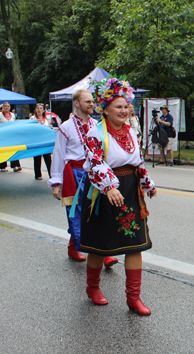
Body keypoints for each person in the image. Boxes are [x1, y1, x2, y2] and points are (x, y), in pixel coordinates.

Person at [80, 77, 157, 316]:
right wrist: (109, 186)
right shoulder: (95, 132)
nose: (124, 111)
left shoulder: (131, 131)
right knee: (100, 247)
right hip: (105, 193)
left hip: (130, 190)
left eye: (126, 106)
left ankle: (133, 298)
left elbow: (138, 162)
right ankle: (92, 288)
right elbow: (95, 162)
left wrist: (147, 183)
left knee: (135, 245)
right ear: (106, 109)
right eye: (118, 107)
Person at [48, 89, 119, 268]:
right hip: (74, 175)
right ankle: (87, 249)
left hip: (95, 174)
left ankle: (103, 252)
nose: (91, 104)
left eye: (92, 101)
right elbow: (58, 154)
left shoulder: (97, 125)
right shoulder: (66, 127)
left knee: (98, 212)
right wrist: (56, 182)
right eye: (87, 101)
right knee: (77, 213)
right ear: (77, 104)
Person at [0, 102, 22, 173]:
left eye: (8, 106)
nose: (6, 107)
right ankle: (2, 166)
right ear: (3, 107)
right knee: (3, 150)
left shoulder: (12, 115)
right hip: (2, 135)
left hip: (11, 135)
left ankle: (15, 166)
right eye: (5, 106)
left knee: (13, 150)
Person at [30, 103, 53, 180]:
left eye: (40, 108)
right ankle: (38, 174)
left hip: (45, 141)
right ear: (35, 110)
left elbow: (50, 129)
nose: (39, 110)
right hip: (36, 141)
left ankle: (51, 174)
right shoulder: (32, 119)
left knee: (48, 158)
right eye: (38, 108)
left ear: (43, 110)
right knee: (37, 158)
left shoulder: (47, 119)